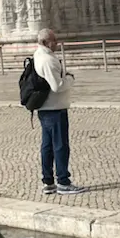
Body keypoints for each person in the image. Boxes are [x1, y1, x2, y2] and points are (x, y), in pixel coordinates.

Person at [33, 28, 84, 195]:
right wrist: (70, 78)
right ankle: (63, 181)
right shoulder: (48, 60)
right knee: (61, 146)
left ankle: (48, 181)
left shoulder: (39, 55)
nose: (56, 43)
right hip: (55, 109)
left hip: (46, 108)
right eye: (54, 40)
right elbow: (57, 86)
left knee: (47, 146)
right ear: (45, 42)